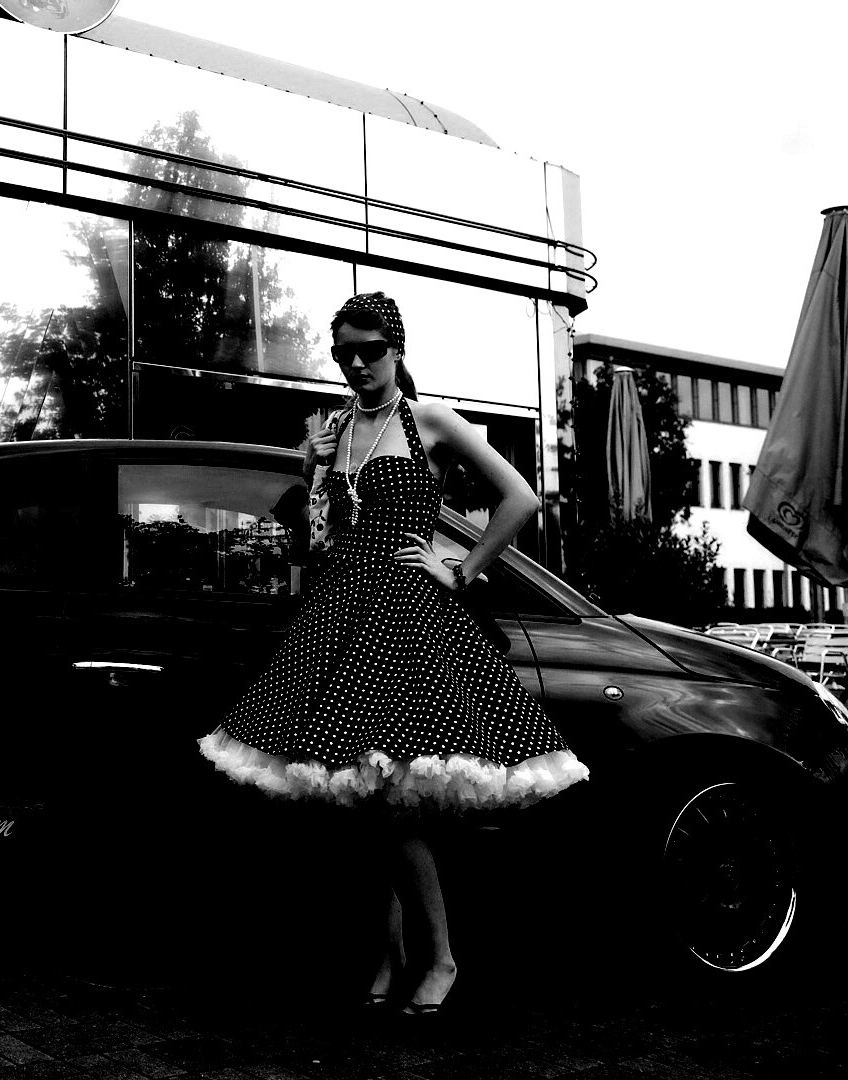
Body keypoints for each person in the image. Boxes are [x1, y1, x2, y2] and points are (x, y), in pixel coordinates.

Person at [196, 292, 589, 1017]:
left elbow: (521, 499)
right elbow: (315, 543)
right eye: (344, 352)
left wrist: (461, 569)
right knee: (364, 800)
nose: (356, 364)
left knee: (392, 801)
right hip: (341, 619)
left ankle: (439, 957)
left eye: (370, 350)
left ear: (397, 348)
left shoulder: (429, 419)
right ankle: (393, 952)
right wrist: (309, 469)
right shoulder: (335, 429)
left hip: (408, 623)